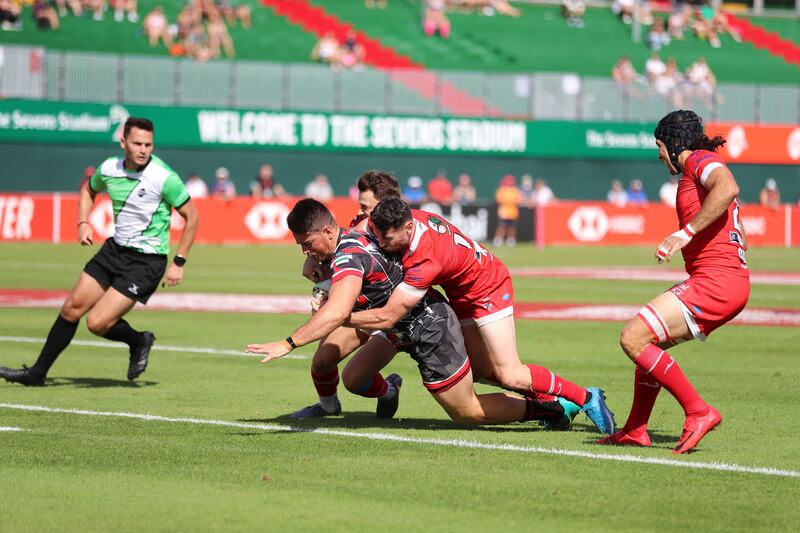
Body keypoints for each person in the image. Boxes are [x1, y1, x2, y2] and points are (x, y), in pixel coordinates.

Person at [247, 200, 573, 429]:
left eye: (307, 243)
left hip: (427, 326)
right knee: (353, 377)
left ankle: (552, 409)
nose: (305, 251)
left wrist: (288, 343)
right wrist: (320, 271)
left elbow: (338, 311)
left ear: (330, 232)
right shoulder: (358, 237)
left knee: (468, 409)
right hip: (402, 327)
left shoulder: (348, 256)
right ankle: (387, 391)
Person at [346, 197, 617, 434]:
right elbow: (361, 231)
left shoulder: (425, 257)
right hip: (463, 294)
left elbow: (389, 316)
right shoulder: (394, 220)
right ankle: (552, 405)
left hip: (487, 288)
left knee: (510, 373)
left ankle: (586, 397)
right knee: (480, 371)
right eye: (378, 235)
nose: (382, 243)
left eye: (388, 239)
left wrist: (339, 316)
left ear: (407, 227)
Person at [0, 117, 199, 386]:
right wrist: (83, 222)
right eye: (137, 143)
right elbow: (87, 192)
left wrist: (179, 261)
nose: (143, 149)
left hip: (146, 262)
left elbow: (192, 217)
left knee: (97, 323)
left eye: (148, 144)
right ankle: (37, 373)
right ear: (123, 142)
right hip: (113, 250)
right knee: (71, 309)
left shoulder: (164, 177)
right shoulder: (108, 169)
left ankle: (139, 340)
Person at [598, 110, 749, 454]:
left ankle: (699, 411)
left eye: (659, 145)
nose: (658, 154)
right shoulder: (698, 165)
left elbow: (727, 187)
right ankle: (636, 429)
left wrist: (686, 233)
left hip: (718, 281)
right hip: (722, 279)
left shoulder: (698, 159)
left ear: (672, 142)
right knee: (649, 345)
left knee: (632, 339)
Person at [294, 171, 403, 418]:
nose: (360, 212)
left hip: (397, 317)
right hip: (362, 312)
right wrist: (319, 265)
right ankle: (332, 406)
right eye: (360, 206)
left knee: (354, 379)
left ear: (386, 206)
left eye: (366, 207)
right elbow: (342, 259)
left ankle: (389, 389)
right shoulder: (359, 224)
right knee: (322, 363)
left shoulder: (407, 231)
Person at [493, 174, 520, 246]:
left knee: (511, 227)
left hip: (512, 212)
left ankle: (511, 239)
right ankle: (498, 239)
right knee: (501, 226)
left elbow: (517, 200)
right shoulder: (501, 189)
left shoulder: (515, 190)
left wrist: (509, 201)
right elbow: (499, 199)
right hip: (503, 212)